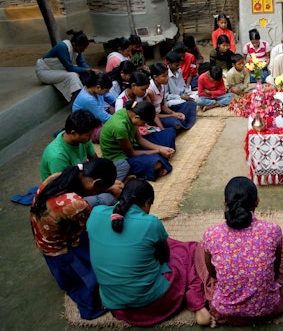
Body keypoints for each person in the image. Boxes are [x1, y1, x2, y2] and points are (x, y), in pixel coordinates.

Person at [87, 179, 210, 326]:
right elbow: (165, 257)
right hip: (153, 303)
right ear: (147, 203)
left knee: (162, 244)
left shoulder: (95, 213)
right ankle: (196, 300)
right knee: (187, 252)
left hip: (116, 305)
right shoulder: (151, 222)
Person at [195, 176, 283, 326]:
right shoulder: (272, 231)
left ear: (225, 202)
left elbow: (213, 274)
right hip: (269, 309)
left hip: (225, 311)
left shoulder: (211, 234)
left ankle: (214, 305)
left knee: (199, 248)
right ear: (257, 202)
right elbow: (275, 272)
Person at [30, 158, 117, 320]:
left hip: (44, 239)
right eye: (100, 190)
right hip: (60, 249)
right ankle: (93, 304)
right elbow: (94, 230)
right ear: (96, 183)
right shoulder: (77, 205)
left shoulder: (59, 177)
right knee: (95, 281)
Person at [40, 109, 128, 206]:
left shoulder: (83, 140)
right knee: (106, 198)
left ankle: (108, 189)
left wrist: (107, 181)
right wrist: (107, 187)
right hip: (68, 194)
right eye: (88, 135)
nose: (90, 138)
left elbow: (96, 162)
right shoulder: (57, 156)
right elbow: (67, 190)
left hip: (88, 179)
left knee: (123, 164)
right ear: (73, 133)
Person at [100, 100, 176, 181]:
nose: (144, 125)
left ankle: (161, 158)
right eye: (144, 122)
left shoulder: (130, 113)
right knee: (156, 163)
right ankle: (158, 163)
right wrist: (158, 150)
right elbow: (131, 153)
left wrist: (161, 148)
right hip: (121, 157)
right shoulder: (120, 127)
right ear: (137, 117)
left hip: (133, 145)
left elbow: (139, 139)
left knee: (169, 133)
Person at [35, 30, 101, 102]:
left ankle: (91, 94)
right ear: (74, 44)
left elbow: (82, 63)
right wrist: (88, 70)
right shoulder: (62, 47)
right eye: (82, 48)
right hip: (45, 71)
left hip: (58, 69)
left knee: (84, 72)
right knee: (72, 76)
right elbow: (69, 67)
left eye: (84, 49)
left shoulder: (77, 49)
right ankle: (80, 100)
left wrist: (91, 71)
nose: (83, 51)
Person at [72, 72, 115, 142]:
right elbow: (104, 117)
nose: (107, 92)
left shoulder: (95, 90)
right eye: (106, 91)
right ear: (98, 87)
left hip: (97, 118)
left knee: (115, 110)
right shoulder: (87, 99)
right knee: (112, 133)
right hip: (87, 127)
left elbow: (112, 100)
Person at [147, 62, 189, 131]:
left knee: (189, 105)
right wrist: (172, 115)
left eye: (167, 75)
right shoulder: (150, 91)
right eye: (164, 76)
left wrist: (174, 113)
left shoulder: (162, 86)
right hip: (154, 118)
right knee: (176, 124)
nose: (167, 78)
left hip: (161, 113)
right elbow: (153, 115)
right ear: (155, 77)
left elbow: (162, 105)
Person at [163, 51, 197, 130]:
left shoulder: (179, 71)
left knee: (196, 97)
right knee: (189, 103)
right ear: (169, 63)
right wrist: (181, 97)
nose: (178, 67)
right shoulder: (165, 75)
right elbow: (166, 95)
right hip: (172, 100)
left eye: (179, 64)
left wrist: (188, 92)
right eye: (176, 65)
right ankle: (184, 119)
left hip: (182, 96)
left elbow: (183, 85)